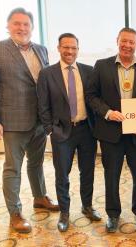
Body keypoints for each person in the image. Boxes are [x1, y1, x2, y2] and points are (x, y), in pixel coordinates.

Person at [0, 7, 59, 233]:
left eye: (26, 24)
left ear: (32, 28)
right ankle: (14, 213)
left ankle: (40, 197)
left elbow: (44, 85)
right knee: (13, 168)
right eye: (17, 23)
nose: (21, 28)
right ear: (8, 26)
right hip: (12, 122)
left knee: (36, 164)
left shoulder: (41, 50)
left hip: (39, 122)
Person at [85, 27, 136, 233]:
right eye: (124, 41)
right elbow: (91, 96)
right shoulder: (101, 65)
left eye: (131, 42)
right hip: (110, 133)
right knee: (111, 175)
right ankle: (113, 215)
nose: (127, 45)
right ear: (117, 41)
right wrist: (107, 112)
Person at [37, 33, 100, 232]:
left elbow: (95, 99)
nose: (70, 51)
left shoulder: (89, 72)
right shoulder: (47, 74)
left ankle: (87, 206)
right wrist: (50, 129)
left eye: (73, 48)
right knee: (62, 174)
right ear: (58, 48)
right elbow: (42, 105)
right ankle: (64, 212)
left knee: (87, 171)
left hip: (86, 130)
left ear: (78, 50)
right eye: (66, 47)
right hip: (61, 132)